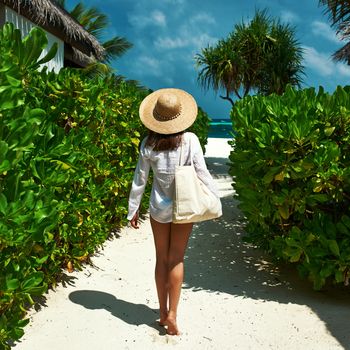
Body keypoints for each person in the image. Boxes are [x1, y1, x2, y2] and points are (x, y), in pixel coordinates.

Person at [127, 88, 220, 336]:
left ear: (155, 117)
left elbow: (140, 179)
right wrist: (215, 200)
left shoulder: (149, 143)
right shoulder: (190, 140)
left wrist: (132, 209)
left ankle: (160, 311)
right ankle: (173, 315)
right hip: (185, 207)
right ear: (180, 115)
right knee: (177, 258)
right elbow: (202, 173)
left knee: (161, 258)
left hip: (159, 209)